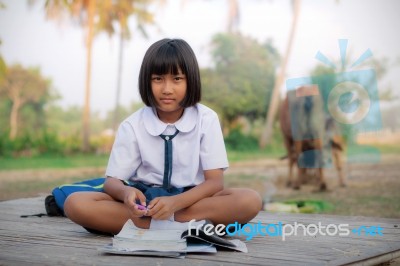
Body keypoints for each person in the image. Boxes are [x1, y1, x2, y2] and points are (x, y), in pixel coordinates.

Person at [64, 38, 262, 235]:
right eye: (158, 79)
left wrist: (175, 204)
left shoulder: (206, 119)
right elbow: (112, 182)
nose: (167, 89)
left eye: (177, 79)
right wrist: (127, 193)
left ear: (190, 80)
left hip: (191, 202)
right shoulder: (132, 125)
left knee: (249, 200)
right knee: (75, 203)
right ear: (146, 81)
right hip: (145, 206)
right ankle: (182, 226)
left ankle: (154, 225)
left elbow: (215, 183)